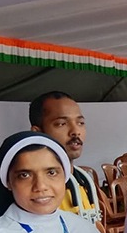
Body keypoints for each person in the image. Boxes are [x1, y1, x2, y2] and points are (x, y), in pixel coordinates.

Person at [28, 91, 101, 225]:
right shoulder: (36, 190)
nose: (75, 131)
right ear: (37, 132)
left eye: (80, 123)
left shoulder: (82, 180)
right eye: (62, 124)